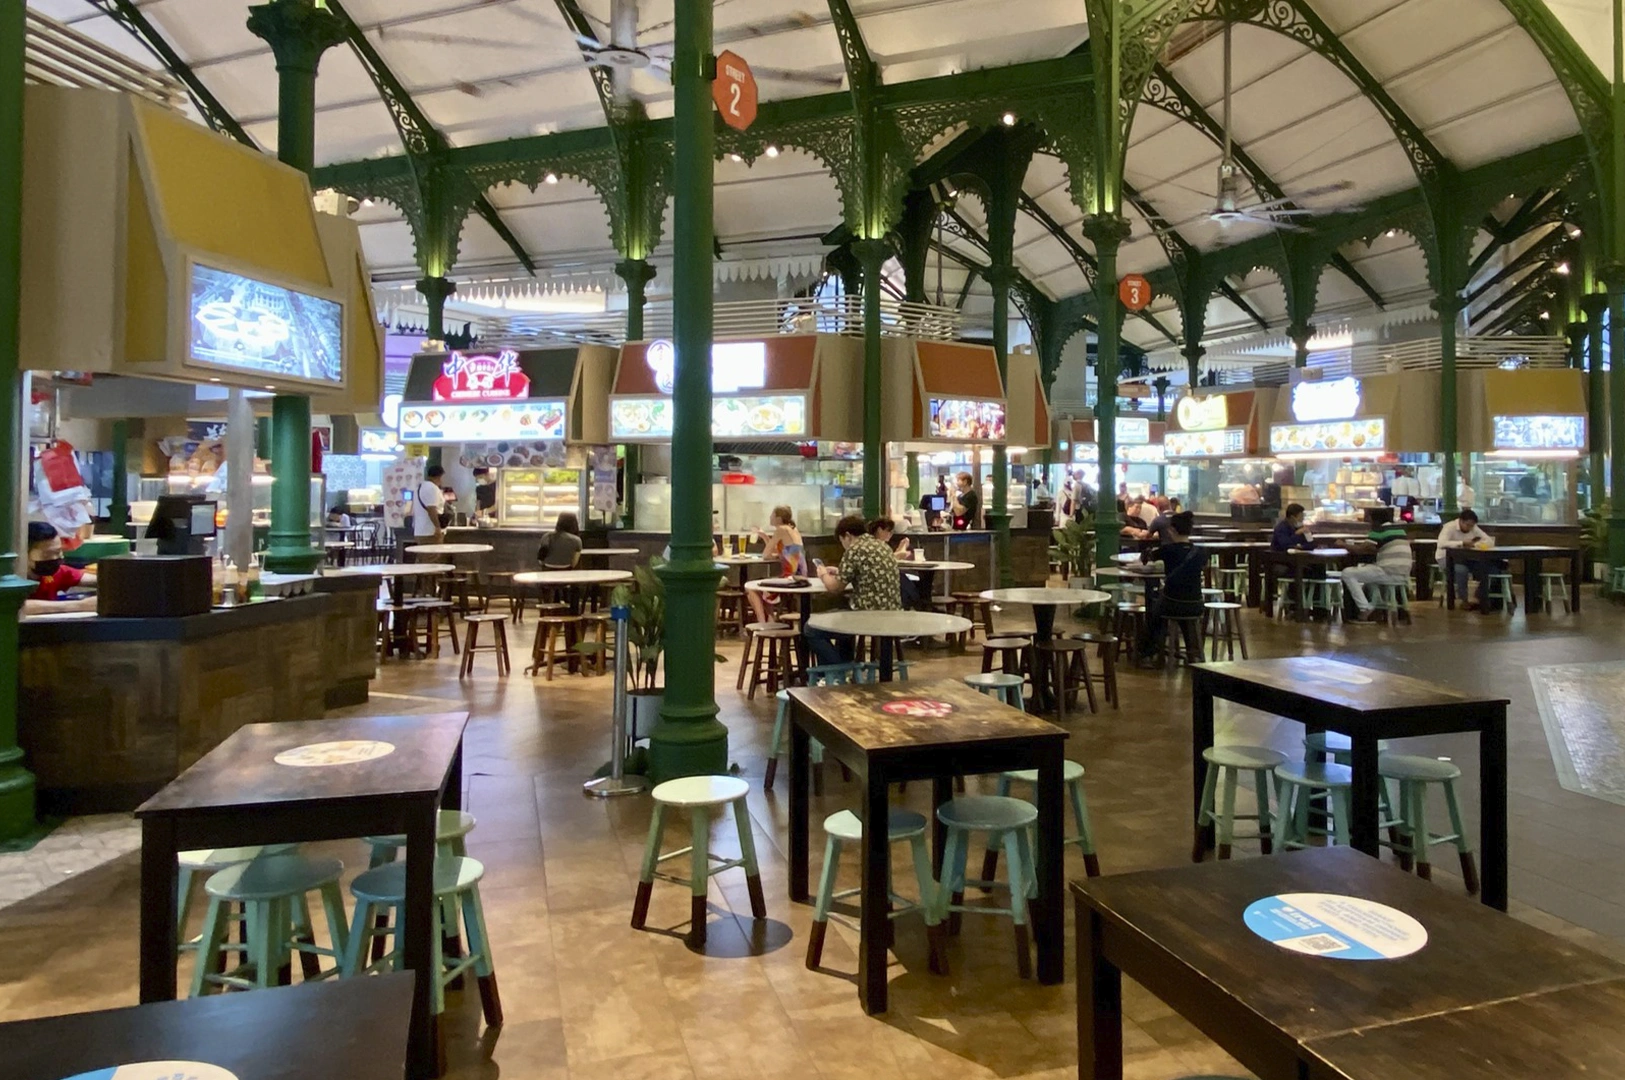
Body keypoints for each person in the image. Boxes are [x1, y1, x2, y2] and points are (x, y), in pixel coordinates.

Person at [808, 514, 902, 665]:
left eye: (842, 541)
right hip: (893, 614)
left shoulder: (855, 550)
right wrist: (839, 571)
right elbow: (867, 572)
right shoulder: (883, 546)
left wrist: (823, 574)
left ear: (847, 536)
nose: (843, 546)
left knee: (811, 628)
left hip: (867, 616)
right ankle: (845, 666)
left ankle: (839, 668)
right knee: (843, 621)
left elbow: (834, 587)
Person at [1136, 511, 1203, 664]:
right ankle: (1192, 651)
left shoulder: (1167, 550)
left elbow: (1146, 557)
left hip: (1172, 603)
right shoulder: (1200, 552)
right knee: (1184, 616)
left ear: (1172, 530)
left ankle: (1148, 650)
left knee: (1155, 613)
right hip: (1196, 604)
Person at [1341, 507, 1413, 621]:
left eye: (1370, 519)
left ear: (1376, 520)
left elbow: (1360, 550)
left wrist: (1341, 544)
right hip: (1404, 574)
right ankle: (1377, 607)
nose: (1369, 523)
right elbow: (1380, 547)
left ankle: (1365, 608)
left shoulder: (1378, 530)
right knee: (1368, 572)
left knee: (1348, 573)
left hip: (1387, 571)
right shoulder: (1400, 530)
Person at [747, 505, 807, 623]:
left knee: (750, 588)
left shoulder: (781, 529)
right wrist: (765, 536)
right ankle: (770, 620)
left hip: (790, 578)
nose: (770, 517)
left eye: (772, 515)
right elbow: (781, 551)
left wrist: (774, 554)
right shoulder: (792, 529)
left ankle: (762, 623)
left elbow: (765, 555)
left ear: (778, 518)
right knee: (762, 586)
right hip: (800, 576)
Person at [23, 521, 96, 616]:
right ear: (24, 553)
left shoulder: (59, 572)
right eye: (47, 554)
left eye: (58, 552)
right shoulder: (11, 577)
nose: (54, 558)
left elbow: (100, 580)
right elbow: (18, 606)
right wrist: (80, 605)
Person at [1436, 508, 1493, 609]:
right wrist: (1462, 543)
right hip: (1445, 558)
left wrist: (1475, 544)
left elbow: (1489, 541)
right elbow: (1441, 543)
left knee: (1487, 568)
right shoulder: (1449, 527)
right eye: (1467, 525)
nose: (1470, 528)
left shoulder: (1473, 528)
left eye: (1472, 525)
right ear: (1461, 521)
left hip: (1466, 558)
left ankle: (1481, 596)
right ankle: (1464, 600)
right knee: (1461, 570)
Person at [411, 465, 446, 545]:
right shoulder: (432, 488)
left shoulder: (419, 487)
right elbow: (431, 509)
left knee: (423, 552)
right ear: (439, 476)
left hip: (420, 530)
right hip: (430, 532)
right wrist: (437, 527)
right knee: (433, 552)